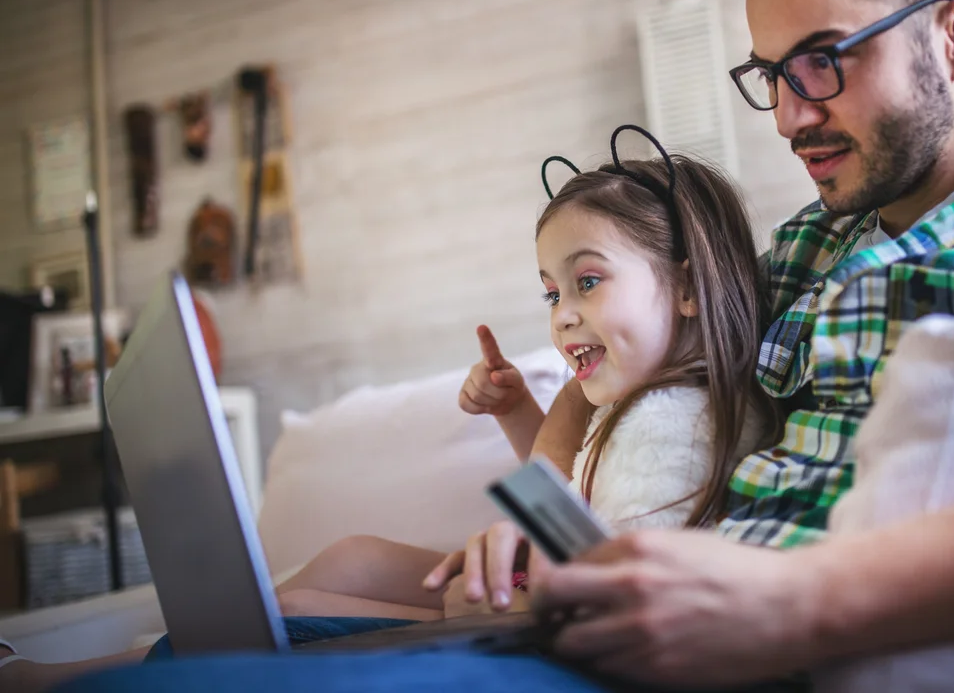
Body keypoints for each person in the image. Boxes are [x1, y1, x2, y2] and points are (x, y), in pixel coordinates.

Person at [29, 0, 954, 689]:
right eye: (768, 77)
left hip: (754, 647)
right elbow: (618, 381)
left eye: (822, 63)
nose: (789, 114)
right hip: (617, 634)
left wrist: (807, 602)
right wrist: (533, 473)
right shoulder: (789, 257)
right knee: (206, 651)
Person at [0, 138, 775, 691]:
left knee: (301, 605)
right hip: (540, 583)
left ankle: (66, 675)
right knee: (351, 557)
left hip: (559, 619)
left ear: (686, 287)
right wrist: (518, 411)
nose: (564, 317)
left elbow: (630, 597)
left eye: (589, 281)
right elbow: (562, 482)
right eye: (552, 293)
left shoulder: (677, 425)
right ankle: (126, 655)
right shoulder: (624, 393)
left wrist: (510, 597)